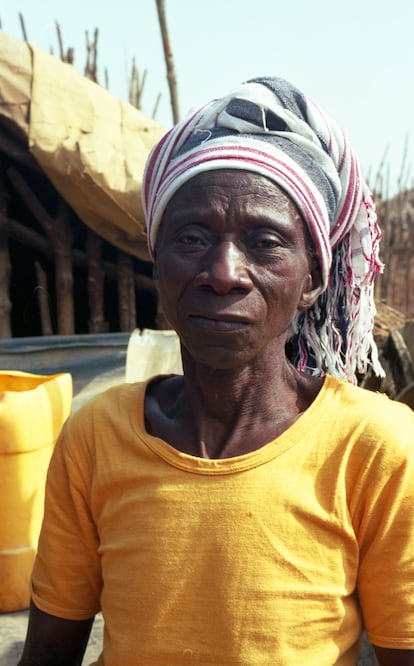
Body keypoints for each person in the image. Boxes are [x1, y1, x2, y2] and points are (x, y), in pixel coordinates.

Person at [18, 76, 414, 666]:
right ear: (158, 259)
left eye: (265, 241)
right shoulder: (96, 436)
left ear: (312, 279)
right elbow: (48, 653)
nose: (223, 271)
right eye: (192, 237)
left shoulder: (372, 447)